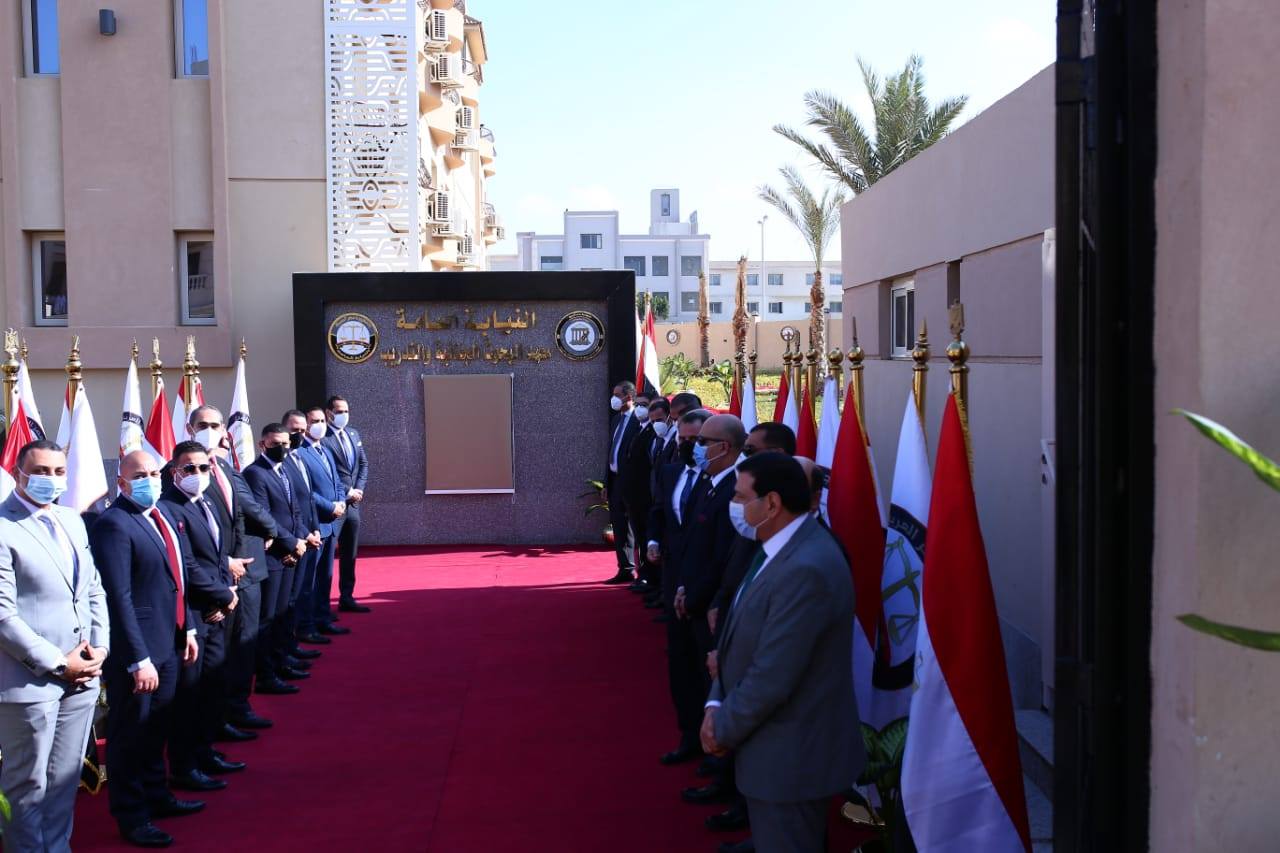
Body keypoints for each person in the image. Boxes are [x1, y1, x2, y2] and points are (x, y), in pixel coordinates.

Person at [703, 452, 866, 852]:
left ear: (772, 504)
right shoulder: (773, 547)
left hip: (791, 758)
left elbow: (774, 673)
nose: (734, 506)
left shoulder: (806, 567)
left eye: (741, 497)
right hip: (772, 751)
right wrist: (713, 703)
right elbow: (739, 636)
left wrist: (721, 728)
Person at [92, 450, 204, 847]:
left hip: (170, 640)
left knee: (157, 728)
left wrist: (187, 626)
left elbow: (176, 577)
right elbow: (117, 596)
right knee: (130, 735)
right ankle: (132, 815)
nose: (150, 480)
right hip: (139, 654)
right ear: (121, 483)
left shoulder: (160, 516)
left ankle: (158, 795)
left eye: (155, 473)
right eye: (140, 475)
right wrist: (137, 659)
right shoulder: (114, 524)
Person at [0, 440, 108, 851]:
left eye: (59, 472)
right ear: (18, 472)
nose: (51, 480)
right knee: (26, 787)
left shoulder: (71, 519)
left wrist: (100, 648)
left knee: (63, 782)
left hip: (82, 678)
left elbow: (93, 588)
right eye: (41, 471)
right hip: (27, 684)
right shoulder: (3, 526)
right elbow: (3, 615)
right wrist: (58, 664)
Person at [186, 405, 294, 734]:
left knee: (244, 644)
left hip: (248, 569)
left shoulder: (228, 468)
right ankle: (222, 716)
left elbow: (249, 510)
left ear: (224, 431)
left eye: (215, 425)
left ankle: (237, 707)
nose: (209, 429)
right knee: (221, 655)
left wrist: (275, 535)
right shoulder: (183, 473)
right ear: (190, 430)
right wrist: (282, 538)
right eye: (202, 425)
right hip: (216, 577)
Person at [160, 441, 247, 792]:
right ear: (174, 473)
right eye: (189, 469)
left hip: (219, 608)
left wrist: (229, 593)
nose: (198, 475)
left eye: (204, 468)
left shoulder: (206, 502)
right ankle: (184, 766)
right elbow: (187, 565)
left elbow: (219, 555)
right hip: (196, 613)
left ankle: (205, 752)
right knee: (189, 696)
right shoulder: (171, 508)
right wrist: (222, 594)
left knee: (211, 686)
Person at [646, 408, 713, 763]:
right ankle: (688, 735)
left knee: (708, 667)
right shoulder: (672, 472)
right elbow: (659, 511)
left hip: (705, 592)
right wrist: (653, 541)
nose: (688, 447)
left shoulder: (720, 483)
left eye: (695, 441)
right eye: (683, 440)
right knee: (680, 664)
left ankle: (715, 748)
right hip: (674, 585)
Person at [243, 424, 320, 673]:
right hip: (273, 555)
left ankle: (284, 657)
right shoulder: (256, 473)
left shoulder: (283, 469)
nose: (282, 448)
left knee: (285, 610)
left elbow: (294, 509)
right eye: (276, 444)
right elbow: (264, 516)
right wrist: (291, 543)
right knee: (269, 616)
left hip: (293, 550)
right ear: (262, 444)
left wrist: (303, 537)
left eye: (285, 443)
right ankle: (267, 671)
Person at [289, 408, 348, 640]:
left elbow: (338, 482)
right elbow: (306, 491)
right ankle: (306, 626)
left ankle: (323, 618)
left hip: (332, 524)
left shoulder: (325, 449)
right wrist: (330, 506)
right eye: (315, 421)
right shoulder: (300, 453)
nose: (319, 425)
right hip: (315, 524)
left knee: (326, 577)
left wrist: (341, 502)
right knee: (308, 581)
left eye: (322, 421)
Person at [321, 396, 371, 613]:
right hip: (334, 506)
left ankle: (347, 597)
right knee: (327, 556)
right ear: (329, 413)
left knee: (349, 554)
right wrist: (346, 491)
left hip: (352, 506)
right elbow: (326, 471)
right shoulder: (323, 438)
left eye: (346, 411)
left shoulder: (353, 433)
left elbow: (363, 463)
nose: (344, 415)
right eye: (339, 411)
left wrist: (358, 489)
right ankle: (321, 604)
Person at [620, 396, 665, 596]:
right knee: (640, 536)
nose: (639, 408)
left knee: (650, 537)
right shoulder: (637, 428)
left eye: (643, 405)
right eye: (637, 404)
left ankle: (653, 580)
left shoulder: (654, 431)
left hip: (648, 496)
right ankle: (645, 576)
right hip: (635, 495)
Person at [602, 381, 641, 585]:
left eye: (617, 394)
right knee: (620, 526)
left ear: (628, 397)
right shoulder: (616, 420)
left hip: (634, 483)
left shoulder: (640, 420)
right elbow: (611, 452)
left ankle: (644, 575)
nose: (613, 398)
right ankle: (625, 569)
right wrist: (607, 483)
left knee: (637, 526)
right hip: (616, 481)